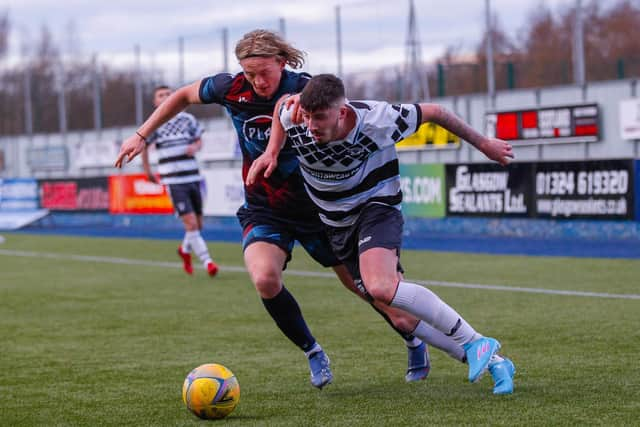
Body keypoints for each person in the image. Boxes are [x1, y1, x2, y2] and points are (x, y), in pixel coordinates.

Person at [116, 30, 448, 389]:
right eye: (249, 73)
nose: (257, 81)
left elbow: (346, 124)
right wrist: (142, 134)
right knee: (264, 278)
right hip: (265, 208)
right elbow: (182, 95)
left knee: (368, 289)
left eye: (265, 73)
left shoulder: (306, 91)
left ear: (282, 62)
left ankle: (413, 340)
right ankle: (312, 351)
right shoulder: (230, 88)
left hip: (321, 209)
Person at [247, 73, 517, 394]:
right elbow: (281, 108)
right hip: (337, 224)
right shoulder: (296, 116)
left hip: (377, 207)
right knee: (399, 316)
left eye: (319, 118)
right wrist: (272, 151)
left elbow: (435, 112)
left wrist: (484, 144)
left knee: (381, 286)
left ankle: (475, 341)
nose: (311, 126)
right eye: (307, 117)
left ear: (342, 112)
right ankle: (496, 362)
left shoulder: (379, 119)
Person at [141, 85, 218, 277]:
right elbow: (143, 145)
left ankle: (184, 250)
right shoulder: (155, 122)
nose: (166, 97)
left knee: (198, 225)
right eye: (161, 95)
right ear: (155, 101)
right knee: (191, 224)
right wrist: (147, 170)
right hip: (174, 180)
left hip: (193, 176)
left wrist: (195, 146)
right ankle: (208, 262)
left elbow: (199, 140)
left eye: (168, 94)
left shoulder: (188, 119)